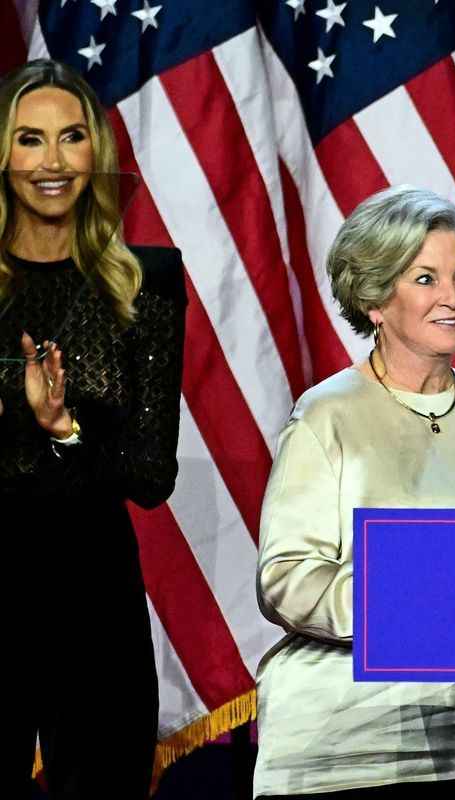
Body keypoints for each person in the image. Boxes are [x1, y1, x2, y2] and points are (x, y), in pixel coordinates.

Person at [254, 187, 455, 799]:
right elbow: (287, 578)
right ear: (375, 299)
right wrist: (417, 604)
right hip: (348, 740)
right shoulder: (327, 415)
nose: (453, 297)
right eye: (426, 278)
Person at [0, 60, 186, 797]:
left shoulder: (145, 282)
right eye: (29, 139)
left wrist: (64, 426)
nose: (52, 161)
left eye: (71, 137)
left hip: (93, 601)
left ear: (96, 152)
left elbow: (151, 475)